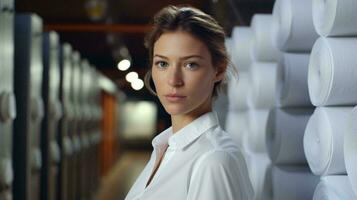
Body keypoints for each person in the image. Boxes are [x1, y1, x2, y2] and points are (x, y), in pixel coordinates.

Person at [125, 5, 254, 200]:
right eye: (163, 63)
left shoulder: (213, 160)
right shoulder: (165, 147)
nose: (173, 80)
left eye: (190, 64)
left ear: (218, 71)